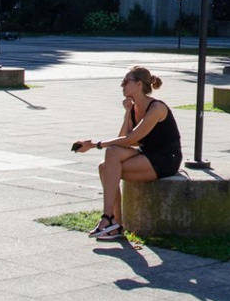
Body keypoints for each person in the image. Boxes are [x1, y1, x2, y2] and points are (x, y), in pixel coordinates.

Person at [73, 67, 183, 240]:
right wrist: (127, 114)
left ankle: (108, 218)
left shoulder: (157, 108)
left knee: (109, 167)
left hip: (166, 158)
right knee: (106, 164)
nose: (122, 86)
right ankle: (115, 222)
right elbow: (122, 140)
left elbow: (131, 139)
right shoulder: (133, 108)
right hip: (146, 154)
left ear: (139, 84)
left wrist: (94, 145)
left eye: (125, 82)